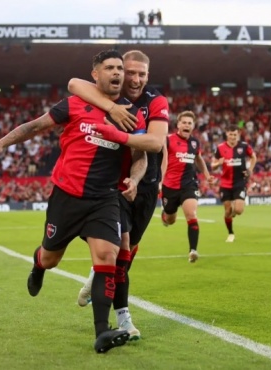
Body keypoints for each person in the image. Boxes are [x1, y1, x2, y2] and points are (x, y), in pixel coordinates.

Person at [0, 49, 147, 354]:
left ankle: (101, 332)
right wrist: (0, 143)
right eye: (110, 68)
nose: (118, 73)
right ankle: (39, 265)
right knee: (51, 257)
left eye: (120, 68)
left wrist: (134, 179)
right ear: (95, 74)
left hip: (105, 198)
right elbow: (34, 126)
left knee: (107, 256)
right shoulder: (74, 103)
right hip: (67, 196)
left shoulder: (130, 113)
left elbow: (140, 156)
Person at [68, 50, 170, 340]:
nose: (135, 79)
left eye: (142, 74)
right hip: (115, 186)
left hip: (146, 186)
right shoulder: (108, 94)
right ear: (121, 72)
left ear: (148, 76)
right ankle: (122, 317)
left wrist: (119, 136)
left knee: (127, 255)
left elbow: (155, 142)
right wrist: (110, 109)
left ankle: (97, 273)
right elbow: (74, 84)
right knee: (120, 250)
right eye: (131, 72)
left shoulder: (156, 101)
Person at [161, 111, 213, 262]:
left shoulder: (195, 143)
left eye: (189, 123)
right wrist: (159, 180)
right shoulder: (168, 140)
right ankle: (165, 216)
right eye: (184, 122)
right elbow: (162, 161)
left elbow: (199, 159)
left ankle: (193, 251)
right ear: (178, 124)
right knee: (170, 219)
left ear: (193, 126)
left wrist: (207, 175)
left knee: (191, 214)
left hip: (189, 185)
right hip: (169, 186)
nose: (186, 125)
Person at [211, 124, 256, 242]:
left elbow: (253, 157)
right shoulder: (220, 148)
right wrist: (218, 164)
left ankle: (234, 211)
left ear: (238, 135)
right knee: (227, 211)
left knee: (238, 210)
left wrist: (250, 170)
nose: (232, 137)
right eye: (230, 134)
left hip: (240, 182)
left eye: (235, 134)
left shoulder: (244, 146)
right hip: (225, 184)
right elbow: (212, 165)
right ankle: (231, 233)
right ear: (227, 134)